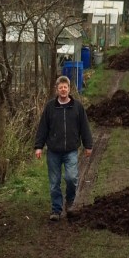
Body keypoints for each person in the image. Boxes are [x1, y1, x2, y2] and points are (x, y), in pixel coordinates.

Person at [34, 75, 94, 221]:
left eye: (65, 87)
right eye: (60, 87)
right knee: (54, 183)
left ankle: (70, 201)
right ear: (57, 89)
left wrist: (88, 145)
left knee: (71, 178)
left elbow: (84, 127)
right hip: (53, 151)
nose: (63, 90)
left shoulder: (77, 107)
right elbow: (43, 128)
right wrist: (39, 147)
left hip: (71, 150)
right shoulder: (50, 107)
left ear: (69, 89)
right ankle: (56, 210)